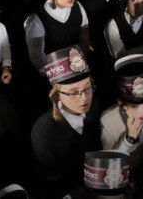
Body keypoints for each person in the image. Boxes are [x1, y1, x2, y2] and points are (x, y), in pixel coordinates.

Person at [30, 46, 102, 191]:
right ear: (56, 95)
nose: (84, 98)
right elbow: (53, 179)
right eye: (73, 92)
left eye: (87, 88)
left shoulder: (94, 105)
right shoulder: (43, 133)